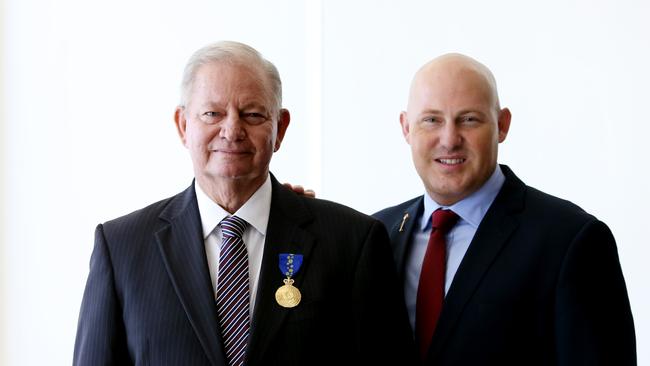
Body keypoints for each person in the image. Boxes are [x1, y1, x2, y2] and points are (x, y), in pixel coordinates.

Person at [73, 41, 414, 366]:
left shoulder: (352, 242)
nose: (232, 129)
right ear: (183, 125)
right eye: (212, 113)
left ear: (279, 128)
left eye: (252, 114)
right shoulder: (122, 249)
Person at [373, 53, 636, 365]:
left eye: (469, 119)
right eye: (432, 120)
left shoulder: (569, 240)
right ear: (406, 128)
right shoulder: (376, 235)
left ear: (502, 125)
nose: (449, 139)